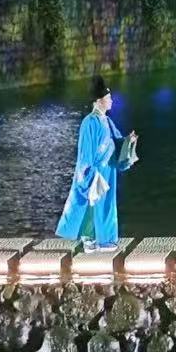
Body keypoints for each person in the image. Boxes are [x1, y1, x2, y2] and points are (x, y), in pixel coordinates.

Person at [56, 76, 139, 253]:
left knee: (107, 205)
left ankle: (107, 240)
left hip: (108, 170)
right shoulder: (89, 122)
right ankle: (90, 239)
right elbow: (85, 153)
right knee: (92, 205)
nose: (112, 101)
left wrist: (128, 141)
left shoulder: (107, 121)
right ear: (100, 101)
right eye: (109, 98)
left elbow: (116, 142)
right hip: (96, 172)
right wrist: (89, 174)